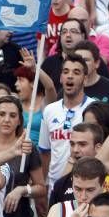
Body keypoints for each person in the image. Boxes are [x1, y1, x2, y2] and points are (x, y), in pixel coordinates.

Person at [39, 54, 94, 191]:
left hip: (85, 186)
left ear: (85, 79)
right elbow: (45, 152)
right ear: (60, 78)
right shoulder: (49, 111)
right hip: (55, 187)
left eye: (76, 72)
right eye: (66, 72)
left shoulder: (95, 109)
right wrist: (42, 186)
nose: (70, 76)